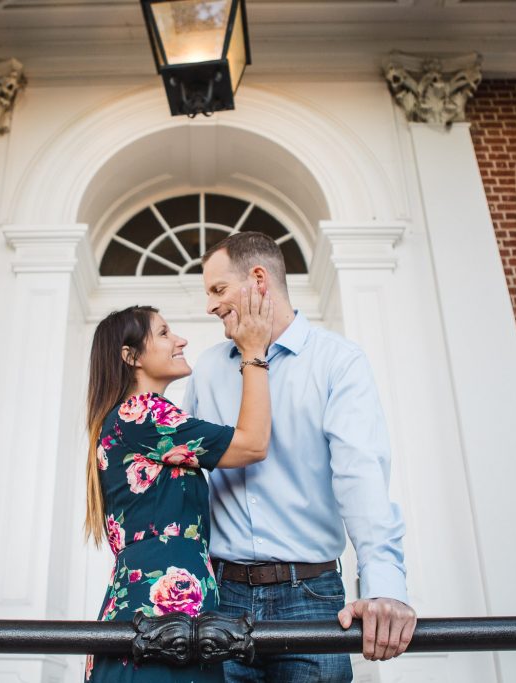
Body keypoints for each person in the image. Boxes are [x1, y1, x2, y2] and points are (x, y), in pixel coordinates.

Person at [183, 232, 417, 682]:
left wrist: (386, 587)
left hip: (310, 595)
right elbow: (190, 486)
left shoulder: (338, 361)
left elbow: (360, 476)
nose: (210, 306)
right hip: (219, 596)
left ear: (258, 280)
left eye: (217, 290)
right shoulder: (209, 369)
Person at [83, 292, 273, 683]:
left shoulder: (128, 420)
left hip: (160, 614)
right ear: (131, 356)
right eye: (165, 333)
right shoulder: (143, 413)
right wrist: (255, 353)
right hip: (159, 620)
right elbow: (252, 443)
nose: (180, 340)